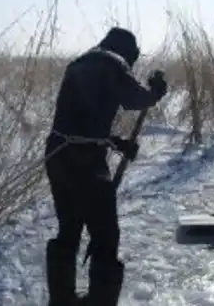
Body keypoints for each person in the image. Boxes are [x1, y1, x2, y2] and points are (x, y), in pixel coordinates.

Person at [44, 27, 168, 306]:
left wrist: (115, 142)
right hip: (85, 161)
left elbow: (80, 118)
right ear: (128, 52)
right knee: (105, 234)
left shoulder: (79, 63)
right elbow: (135, 99)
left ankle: (61, 300)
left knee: (69, 228)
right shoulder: (113, 63)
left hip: (57, 153)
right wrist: (155, 92)